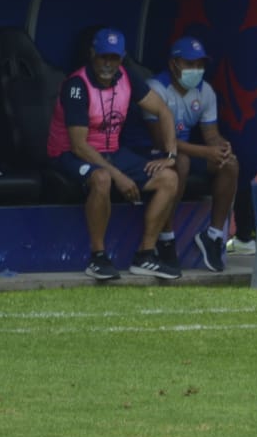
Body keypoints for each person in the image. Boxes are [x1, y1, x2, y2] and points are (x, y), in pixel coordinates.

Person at [46, 28, 182, 281]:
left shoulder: (127, 77)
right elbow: (78, 145)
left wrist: (170, 154)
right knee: (102, 179)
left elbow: (163, 110)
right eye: (103, 57)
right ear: (92, 54)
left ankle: (145, 254)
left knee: (169, 178)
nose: (108, 63)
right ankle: (98, 257)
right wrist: (118, 176)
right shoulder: (76, 85)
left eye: (114, 58)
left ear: (122, 58)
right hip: (69, 154)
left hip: (112, 153)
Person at [125, 36, 238, 273]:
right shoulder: (156, 87)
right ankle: (166, 238)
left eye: (200, 64)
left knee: (230, 164)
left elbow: (211, 135)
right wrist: (207, 151)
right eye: (190, 64)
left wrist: (221, 147)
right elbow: (162, 141)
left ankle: (214, 236)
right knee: (181, 163)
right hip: (148, 151)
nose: (196, 70)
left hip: (182, 150)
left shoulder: (205, 90)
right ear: (174, 64)